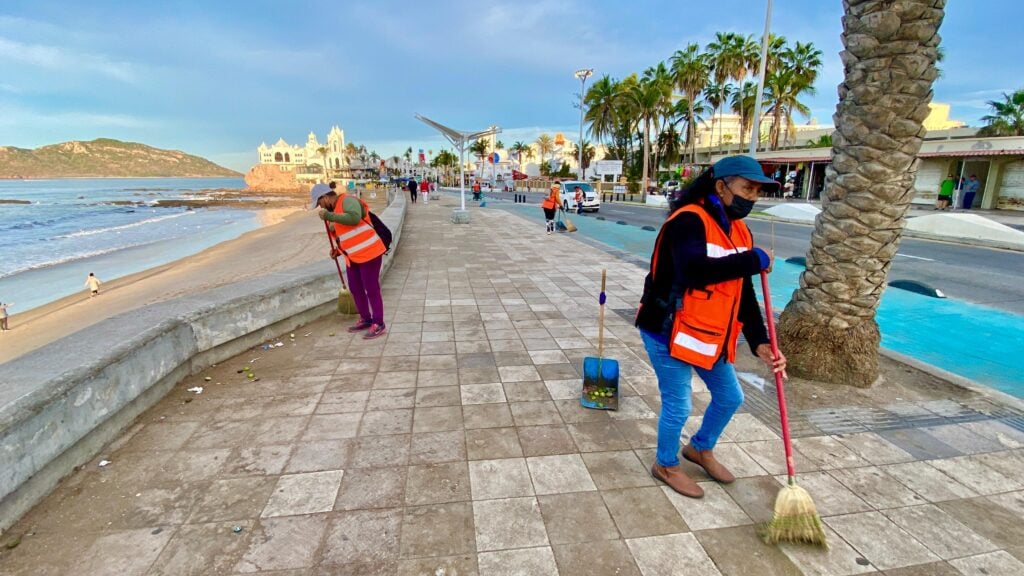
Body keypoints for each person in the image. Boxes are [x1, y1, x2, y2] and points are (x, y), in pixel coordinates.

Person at [636, 155, 787, 499]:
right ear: (721, 186)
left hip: (708, 333)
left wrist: (759, 340)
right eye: (747, 188)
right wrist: (754, 259)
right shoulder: (687, 221)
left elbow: (742, 291)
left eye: (758, 191)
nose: (753, 197)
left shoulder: (739, 230)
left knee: (730, 396)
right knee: (680, 405)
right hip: (667, 330)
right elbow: (693, 271)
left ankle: (700, 448)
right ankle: (665, 464)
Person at [315, 188, 388, 339]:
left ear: (325, 197)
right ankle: (366, 318)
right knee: (355, 288)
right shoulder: (334, 212)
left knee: (371, 289)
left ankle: (379, 323)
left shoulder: (347, 200)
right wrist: (338, 250)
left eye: (319, 203)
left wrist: (329, 216)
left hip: (369, 252)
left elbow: (354, 218)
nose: (320, 207)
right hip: (352, 257)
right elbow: (347, 235)